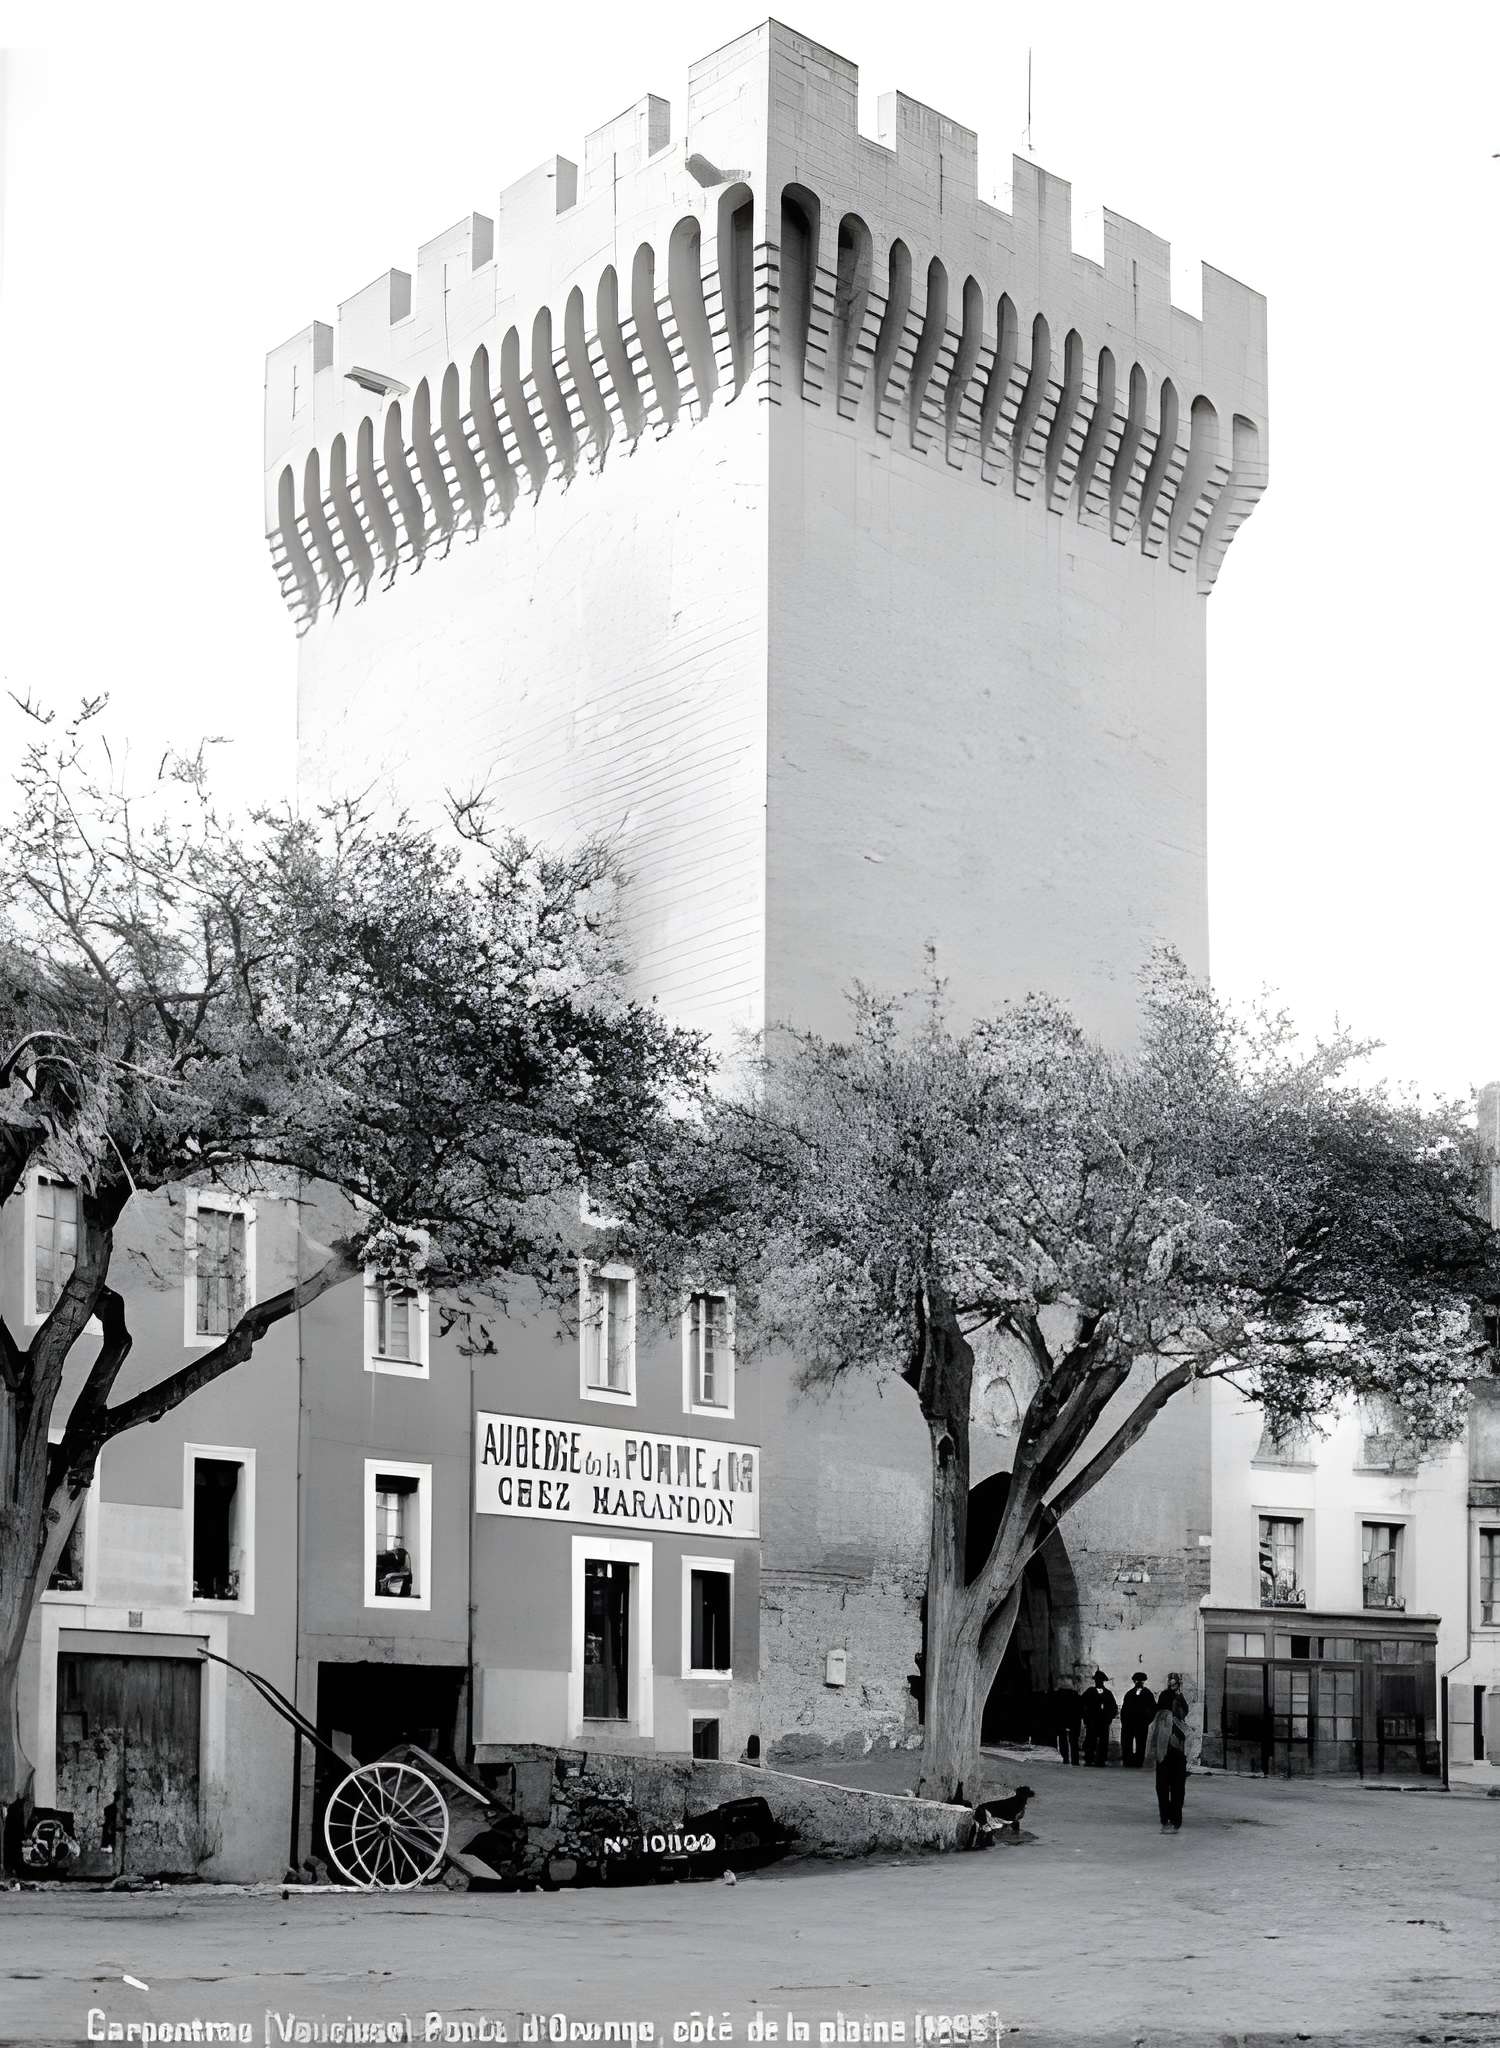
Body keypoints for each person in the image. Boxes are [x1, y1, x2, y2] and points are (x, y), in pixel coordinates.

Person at [1145, 1677, 1189, 1832]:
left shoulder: (1158, 1719)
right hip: (1176, 1758)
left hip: (1163, 1759)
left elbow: (1152, 1743)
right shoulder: (1177, 1722)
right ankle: (1175, 1820)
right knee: (1177, 1790)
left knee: (1163, 1790)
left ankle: (1166, 1820)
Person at [1079, 1669, 1118, 1766]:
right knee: (1090, 1740)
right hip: (1092, 1721)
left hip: (1103, 1722)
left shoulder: (1108, 1693)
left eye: (1100, 1680)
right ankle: (1089, 1758)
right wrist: (1086, 1717)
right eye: (1097, 1680)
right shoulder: (1090, 1692)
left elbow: (1113, 1707)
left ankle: (1101, 1759)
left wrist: (1108, 1718)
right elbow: (1081, 1704)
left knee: (1103, 1741)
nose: (1098, 1682)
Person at [1119, 1671, 1157, 1768]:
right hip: (1129, 1723)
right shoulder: (1129, 1694)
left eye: (1141, 1681)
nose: (1139, 1682)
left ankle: (1138, 1762)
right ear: (1134, 1681)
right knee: (1127, 1743)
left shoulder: (1148, 1694)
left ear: (1143, 1681)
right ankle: (1128, 1761)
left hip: (1141, 1723)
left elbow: (1153, 1709)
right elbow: (1124, 1709)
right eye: (1137, 1680)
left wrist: (1147, 1721)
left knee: (1141, 1743)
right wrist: (1124, 1722)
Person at [1050, 1677, 1083, 1765]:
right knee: (1074, 1742)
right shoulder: (1076, 1696)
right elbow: (1081, 1710)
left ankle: (1065, 1759)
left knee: (1062, 1740)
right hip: (1073, 1722)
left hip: (1061, 1721)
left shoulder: (1057, 1696)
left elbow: (1053, 1710)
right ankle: (1075, 1761)